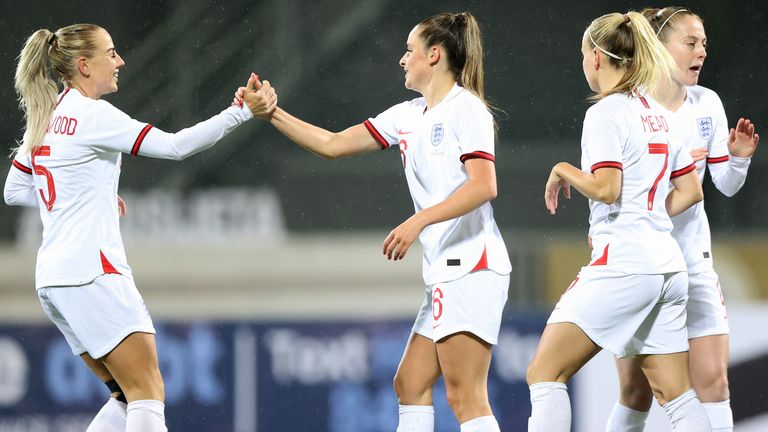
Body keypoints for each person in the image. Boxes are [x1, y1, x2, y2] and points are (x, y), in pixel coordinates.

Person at [236, 11, 511, 432]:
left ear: (434, 55)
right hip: (446, 269)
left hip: (472, 265)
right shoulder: (407, 116)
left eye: (409, 51)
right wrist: (271, 113)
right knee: (411, 383)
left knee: (465, 396)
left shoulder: (466, 109)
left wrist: (419, 221)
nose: (402, 60)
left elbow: (483, 186)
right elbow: (331, 144)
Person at [3, 24, 275, 432]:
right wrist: (239, 113)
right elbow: (174, 146)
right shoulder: (93, 115)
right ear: (84, 65)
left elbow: (14, 190)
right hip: (93, 272)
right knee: (148, 391)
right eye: (110, 53)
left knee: (126, 396)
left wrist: (85, 196)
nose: (120, 61)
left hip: (54, 280)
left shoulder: (49, 113)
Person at [525, 11, 712, 432]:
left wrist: (562, 169)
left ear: (596, 57)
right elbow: (691, 191)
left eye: (582, 54)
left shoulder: (606, 113)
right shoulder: (661, 113)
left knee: (544, 373)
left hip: (624, 262)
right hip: (666, 264)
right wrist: (646, 216)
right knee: (676, 396)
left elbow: (607, 189)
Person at [605, 7, 759, 432]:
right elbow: (612, 196)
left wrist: (739, 160)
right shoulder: (623, 109)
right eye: (690, 43)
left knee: (714, 381)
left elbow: (724, 184)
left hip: (693, 262)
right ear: (658, 46)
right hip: (640, 265)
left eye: (704, 44)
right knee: (636, 393)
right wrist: (669, 175)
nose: (701, 52)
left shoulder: (706, 103)